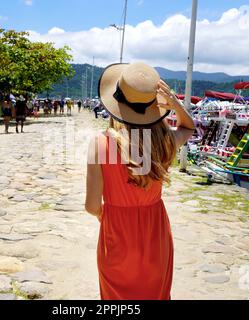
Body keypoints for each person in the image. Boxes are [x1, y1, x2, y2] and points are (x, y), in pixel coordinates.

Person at [85, 62, 195, 300]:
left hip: (117, 230)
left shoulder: (101, 144)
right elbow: (188, 127)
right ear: (154, 106)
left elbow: (92, 206)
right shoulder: (163, 142)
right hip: (155, 231)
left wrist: (106, 215)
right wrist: (175, 104)